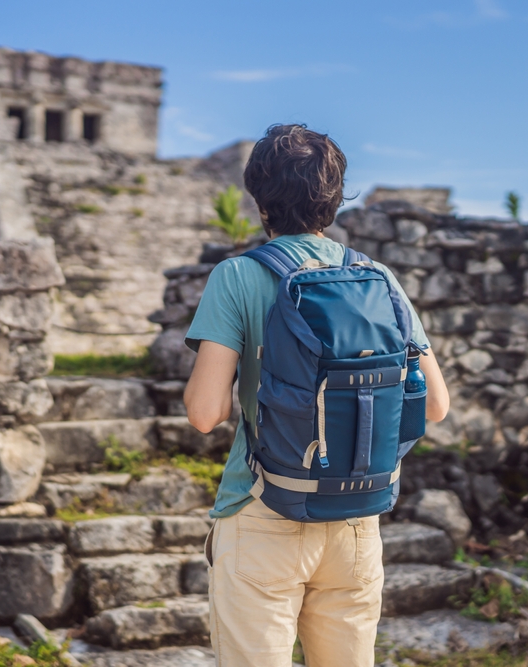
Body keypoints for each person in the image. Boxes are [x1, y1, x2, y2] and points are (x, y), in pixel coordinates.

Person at [183, 124, 450, 667]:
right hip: (355, 517)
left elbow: (205, 414)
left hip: (263, 509)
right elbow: (436, 406)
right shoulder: (379, 278)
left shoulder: (237, 276)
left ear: (261, 203)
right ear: (335, 197)